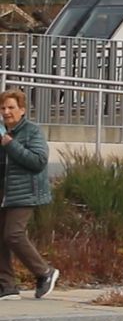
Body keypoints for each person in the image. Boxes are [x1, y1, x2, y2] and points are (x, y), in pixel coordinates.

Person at [0, 89, 57, 300]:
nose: (6, 112)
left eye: (11, 107)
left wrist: (9, 144)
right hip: (3, 191)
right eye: (3, 108)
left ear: (22, 110)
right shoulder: (1, 131)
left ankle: (44, 272)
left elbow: (38, 161)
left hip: (24, 192)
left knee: (13, 234)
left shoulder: (32, 131)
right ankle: (7, 287)